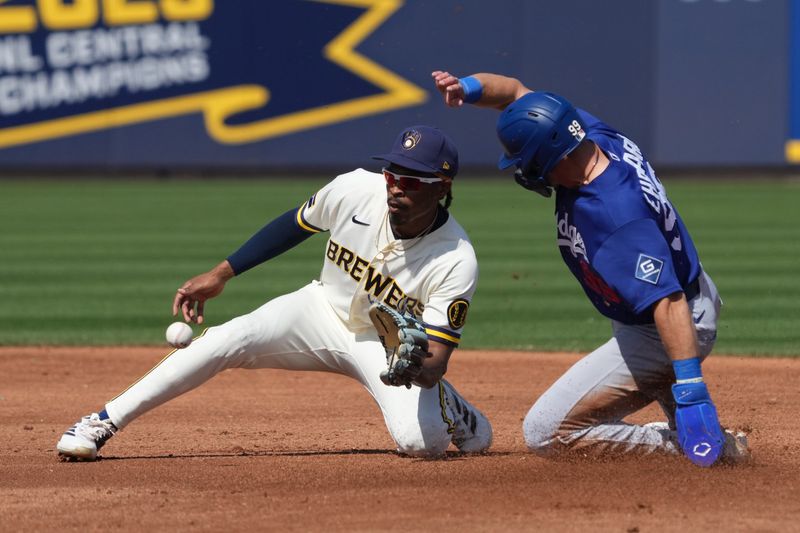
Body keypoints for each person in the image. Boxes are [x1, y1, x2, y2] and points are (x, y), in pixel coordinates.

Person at [56, 125, 492, 461]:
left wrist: (415, 367)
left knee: (422, 445)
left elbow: (435, 362)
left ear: (443, 186)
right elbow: (294, 225)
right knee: (228, 338)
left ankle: (454, 409)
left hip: (379, 347)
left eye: (413, 181)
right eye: (392, 174)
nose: (396, 186)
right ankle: (102, 422)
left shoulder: (455, 258)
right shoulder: (356, 189)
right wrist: (222, 272)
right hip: (319, 309)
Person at [431, 70, 750, 466]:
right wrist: (468, 88)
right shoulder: (588, 135)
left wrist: (691, 390)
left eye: (529, 162)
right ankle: (678, 418)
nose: (527, 171)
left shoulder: (615, 215)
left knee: (547, 433)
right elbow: (514, 91)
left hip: (669, 324)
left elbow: (667, 302)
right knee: (643, 329)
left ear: (552, 155)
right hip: (664, 305)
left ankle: (696, 448)